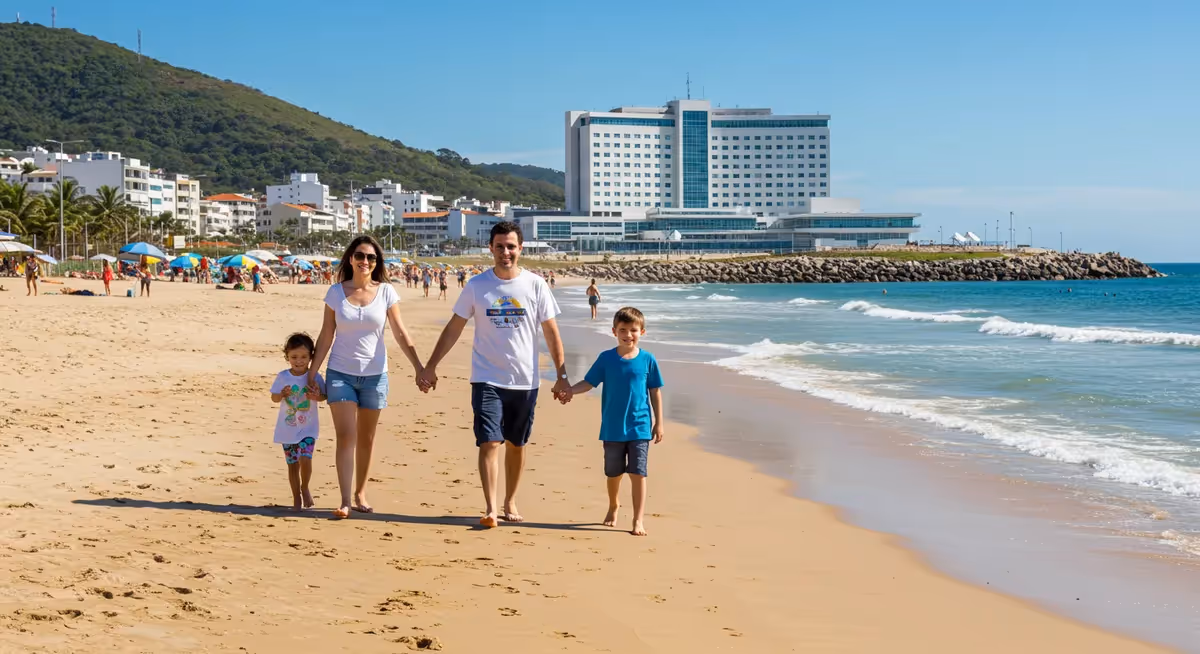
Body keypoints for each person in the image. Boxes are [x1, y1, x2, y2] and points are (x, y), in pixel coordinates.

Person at [418, 221, 570, 528]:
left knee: (517, 444)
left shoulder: (535, 285)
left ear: (520, 248)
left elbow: (551, 332)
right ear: (491, 248)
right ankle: (490, 507)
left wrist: (562, 374)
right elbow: (453, 329)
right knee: (489, 441)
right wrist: (431, 365)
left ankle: (510, 499)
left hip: (525, 379)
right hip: (486, 378)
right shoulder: (477, 286)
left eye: (511, 246)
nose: (505, 252)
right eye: (499, 246)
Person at [310, 235, 427, 519]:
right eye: (360, 256)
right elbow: (327, 334)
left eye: (371, 258)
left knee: (366, 438)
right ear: (350, 258)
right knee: (346, 436)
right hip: (341, 374)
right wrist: (312, 372)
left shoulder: (386, 292)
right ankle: (345, 499)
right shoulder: (336, 293)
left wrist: (419, 367)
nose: (365, 262)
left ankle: (361, 492)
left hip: (375, 376)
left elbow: (400, 332)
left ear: (377, 262)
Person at [562, 307, 664, 536]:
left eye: (633, 330)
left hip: (640, 426)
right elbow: (589, 383)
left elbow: (655, 391)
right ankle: (613, 504)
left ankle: (638, 520)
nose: (628, 335)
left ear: (643, 332)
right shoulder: (606, 358)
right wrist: (569, 390)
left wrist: (659, 422)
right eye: (623, 330)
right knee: (613, 473)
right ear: (614, 332)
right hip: (612, 426)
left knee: (638, 472)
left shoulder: (648, 360)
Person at [271, 333, 326, 512]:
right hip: (288, 429)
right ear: (287, 356)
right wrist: (282, 395)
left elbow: (323, 397)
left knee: (306, 458)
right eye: (294, 357)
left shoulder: (314, 376)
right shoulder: (283, 376)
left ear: (311, 356)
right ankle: (296, 497)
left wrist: (316, 396)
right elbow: (274, 398)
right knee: (292, 464)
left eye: (303, 357)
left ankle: (305, 487)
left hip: (308, 428)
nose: (299, 361)